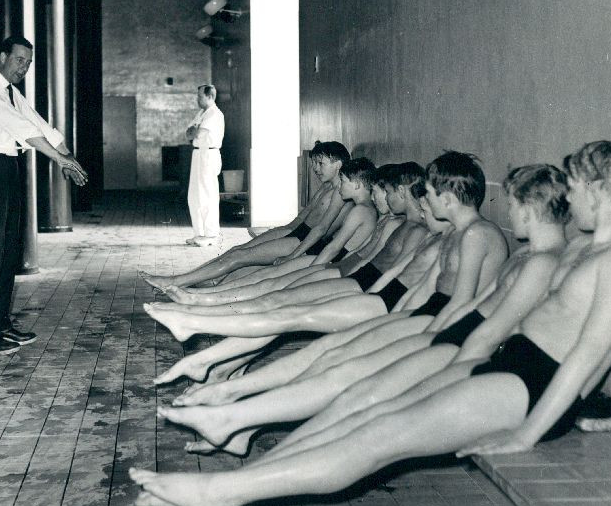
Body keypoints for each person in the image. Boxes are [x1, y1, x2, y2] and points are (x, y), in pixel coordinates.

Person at [130, 141, 611, 506]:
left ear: (600, 191)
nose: (572, 196)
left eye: (579, 186)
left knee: (381, 436)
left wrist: (527, 432)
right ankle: (237, 463)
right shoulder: (588, 248)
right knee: (370, 412)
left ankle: (224, 491)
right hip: (505, 365)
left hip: (534, 382)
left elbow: (586, 357)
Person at [154, 164, 572, 456]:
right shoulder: (458, 235)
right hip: (415, 313)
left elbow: (465, 305)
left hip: (439, 326)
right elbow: (423, 285)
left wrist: (427, 335)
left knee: (330, 361)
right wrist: (401, 320)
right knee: (316, 345)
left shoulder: (482, 237)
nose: (419, 203)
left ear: (446, 195)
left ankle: (221, 378)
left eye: (425, 196)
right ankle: (226, 388)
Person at [144, 151, 507, 342]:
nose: (317, 169)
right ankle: (199, 303)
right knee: (268, 292)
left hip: (353, 276)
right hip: (360, 280)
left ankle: (201, 309)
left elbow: (341, 248)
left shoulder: (450, 232)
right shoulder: (415, 225)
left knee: (276, 298)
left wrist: (301, 259)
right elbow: (386, 268)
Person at [0, 35, 87, 355]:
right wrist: (59, 160)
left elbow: (41, 126)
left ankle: (0, 324)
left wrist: (68, 158)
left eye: (28, 63)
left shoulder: (12, 94)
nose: (24, 68)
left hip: (6, 170)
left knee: (6, 252)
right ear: (2, 56)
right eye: (19, 60)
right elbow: (22, 130)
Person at [141, 142, 351, 289]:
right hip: (297, 232)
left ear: (338, 164)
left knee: (239, 257)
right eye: (314, 163)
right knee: (237, 250)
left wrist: (293, 255)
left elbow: (321, 229)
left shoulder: (340, 194)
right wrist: (277, 232)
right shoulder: (326, 188)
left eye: (321, 164)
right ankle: (184, 280)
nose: (315, 169)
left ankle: (177, 282)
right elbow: (300, 219)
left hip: (306, 241)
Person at [185, 84, 225, 247]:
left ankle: (211, 234)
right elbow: (189, 133)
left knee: (207, 195)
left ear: (210, 96)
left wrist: (194, 131)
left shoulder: (214, 114)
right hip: (198, 153)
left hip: (209, 154)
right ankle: (199, 233)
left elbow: (197, 133)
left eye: (200, 96)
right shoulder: (202, 113)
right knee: (194, 196)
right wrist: (193, 131)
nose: (197, 99)